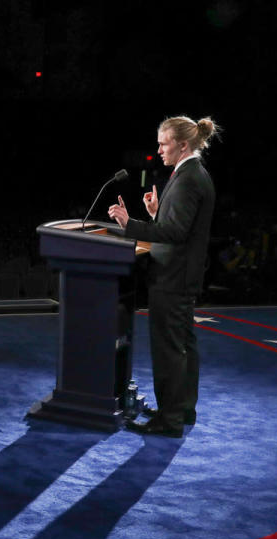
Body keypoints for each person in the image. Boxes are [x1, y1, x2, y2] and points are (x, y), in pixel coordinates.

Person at [108, 115, 220, 438]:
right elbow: (179, 226)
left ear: (182, 145)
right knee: (184, 344)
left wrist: (129, 223)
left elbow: (173, 233)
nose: (158, 150)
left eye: (163, 143)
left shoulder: (187, 178)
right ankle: (182, 410)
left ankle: (168, 420)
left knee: (169, 349)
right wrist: (157, 213)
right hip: (182, 275)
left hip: (172, 277)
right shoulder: (193, 174)